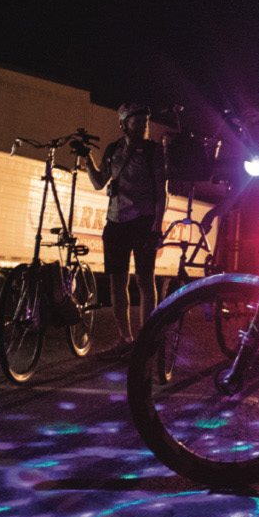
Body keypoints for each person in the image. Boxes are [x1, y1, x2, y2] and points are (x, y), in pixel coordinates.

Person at [79, 102, 165, 358]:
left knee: (145, 280)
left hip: (143, 221)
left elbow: (162, 191)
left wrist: (157, 226)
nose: (142, 126)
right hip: (115, 223)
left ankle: (146, 339)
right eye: (136, 121)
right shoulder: (113, 149)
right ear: (124, 123)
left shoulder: (153, 151)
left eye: (145, 122)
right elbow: (98, 182)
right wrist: (87, 158)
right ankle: (124, 339)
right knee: (118, 282)